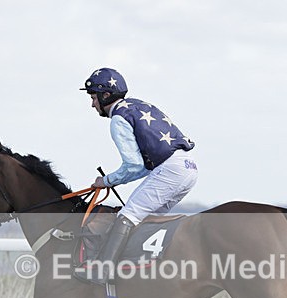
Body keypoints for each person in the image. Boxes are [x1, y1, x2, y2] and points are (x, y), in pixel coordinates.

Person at [79, 67, 198, 285]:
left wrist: (105, 182)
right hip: (188, 169)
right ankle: (141, 271)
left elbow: (133, 166)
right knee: (146, 222)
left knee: (128, 216)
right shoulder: (136, 104)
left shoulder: (118, 118)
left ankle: (102, 271)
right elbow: (143, 166)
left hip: (170, 170)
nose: (92, 104)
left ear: (106, 95)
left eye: (94, 97)